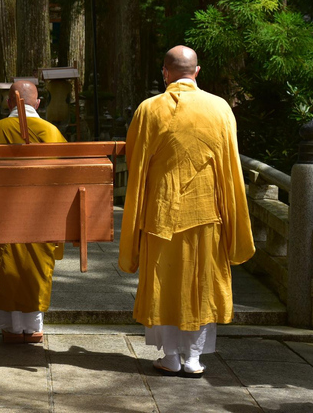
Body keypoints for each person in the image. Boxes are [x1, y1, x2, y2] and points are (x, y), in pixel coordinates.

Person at [119, 45, 255, 378]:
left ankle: (170, 356)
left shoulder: (150, 109)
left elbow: (134, 161)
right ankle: (194, 357)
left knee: (163, 283)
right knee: (200, 283)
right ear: (196, 72)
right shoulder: (219, 108)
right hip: (206, 212)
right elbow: (230, 164)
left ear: (165, 73)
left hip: (161, 213)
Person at [0, 81, 66, 344]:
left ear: (8, 103)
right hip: (40, 223)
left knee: (3, 261)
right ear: (38, 103)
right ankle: (32, 327)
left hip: (1, 222)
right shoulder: (52, 132)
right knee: (34, 267)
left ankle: (9, 326)